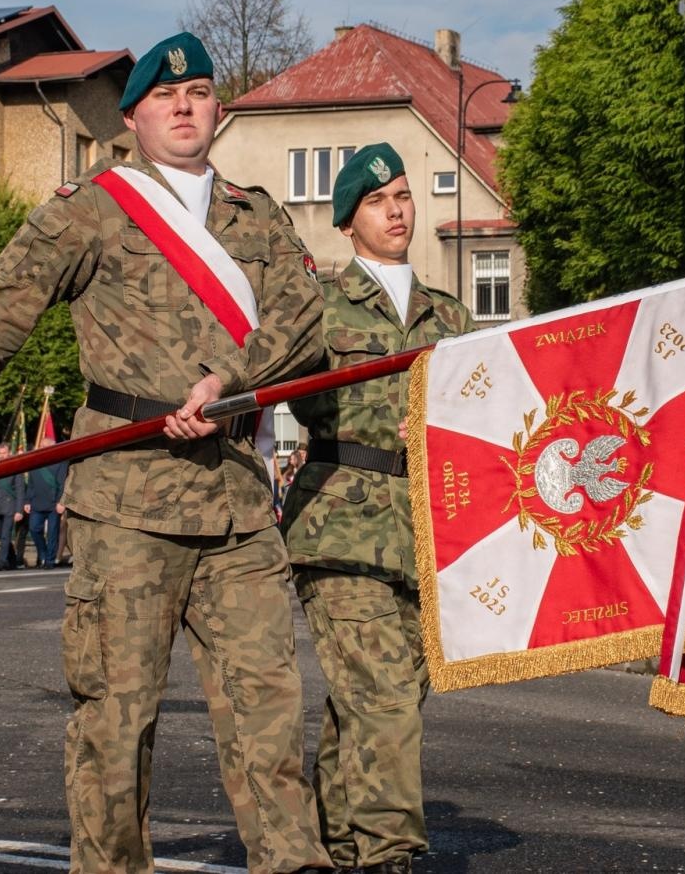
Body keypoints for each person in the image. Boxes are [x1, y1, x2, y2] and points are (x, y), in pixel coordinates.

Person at [0, 31, 331, 873]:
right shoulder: (92, 208)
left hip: (234, 500)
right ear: (133, 116)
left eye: (198, 94)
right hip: (126, 503)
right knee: (115, 724)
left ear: (218, 107)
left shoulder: (258, 217)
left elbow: (305, 322)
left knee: (269, 721)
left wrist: (231, 375)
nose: (184, 108)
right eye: (164, 98)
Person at [281, 143, 472, 874]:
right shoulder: (318, 309)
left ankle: (332, 842)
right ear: (347, 224)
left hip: (426, 530)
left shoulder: (449, 315)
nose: (395, 211)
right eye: (376, 202)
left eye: (402, 196)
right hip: (341, 527)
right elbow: (279, 384)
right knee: (383, 695)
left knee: (374, 701)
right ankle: (390, 853)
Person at [0, 443, 26, 570]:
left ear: (9, 453)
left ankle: (1, 561)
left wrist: (19, 510)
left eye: (4, 453)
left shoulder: (15, 467)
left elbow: (20, 490)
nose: (2, 456)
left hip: (10, 506)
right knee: (0, 534)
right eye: (0, 453)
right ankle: (13, 560)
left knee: (5, 535)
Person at [24, 457, 68, 568]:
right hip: (37, 503)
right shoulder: (35, 462)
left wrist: (61, 501)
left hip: (54, 504)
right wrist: (27, 501)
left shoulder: (60, 462)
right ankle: (43, 553)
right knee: (34, 528)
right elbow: (31, 484)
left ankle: (49, 561)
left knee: (52, 534)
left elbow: (62, 483)